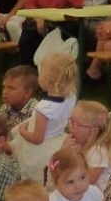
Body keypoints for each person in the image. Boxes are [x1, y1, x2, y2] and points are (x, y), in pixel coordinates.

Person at [13, 53, 78, 182]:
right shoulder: (71, 96)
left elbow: (37, 138)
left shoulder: (43, 108)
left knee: (37, 177)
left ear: (47, 79)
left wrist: (22, 131)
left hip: (41, 150)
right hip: (59, 139)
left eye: (40, 73)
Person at [65, 100, 111, 189]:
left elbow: (87, 182)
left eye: (76, 124)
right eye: (71, 121)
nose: (70, 127)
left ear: (94, 131)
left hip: (97, 199)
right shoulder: (78, 146)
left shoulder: (97, 152)